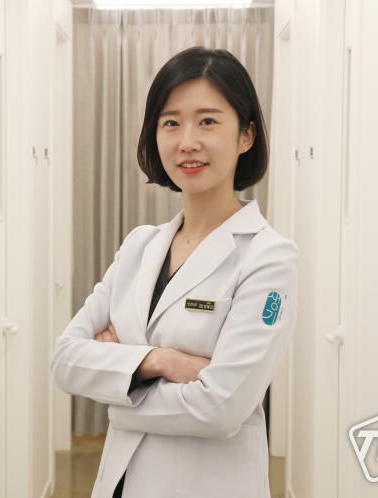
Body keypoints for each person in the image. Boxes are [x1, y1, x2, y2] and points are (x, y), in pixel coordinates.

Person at [51, 46, 299, 498]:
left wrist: (117, 393)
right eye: (171, 123)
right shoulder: (139, 246)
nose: (187, 141)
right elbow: (65, 360)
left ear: (246, 136)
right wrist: (157, 361)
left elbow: (221, 408)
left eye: (208, 121)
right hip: (119, 482)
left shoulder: (268, 258)